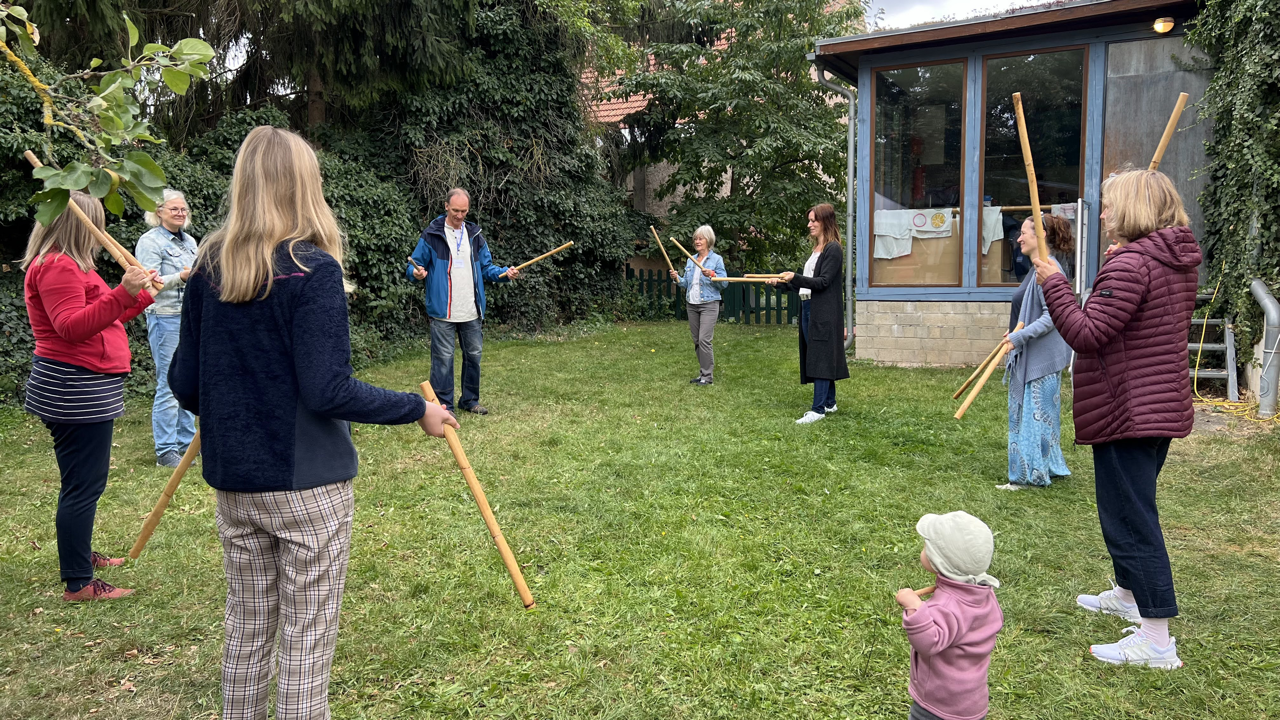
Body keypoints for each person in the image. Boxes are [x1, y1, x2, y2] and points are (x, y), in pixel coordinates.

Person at [168, 126, 459, 720]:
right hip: (306, 489)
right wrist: (418, 408)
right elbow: (327, 390)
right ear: (304, 185)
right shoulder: (312, 268)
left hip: (236, 484)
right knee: (305, 641)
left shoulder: (208, 268)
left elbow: (185, 384)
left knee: (247, 632)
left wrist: (238, 406)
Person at [1032, 169, 1199, 669]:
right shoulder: (1169, 260)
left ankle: (1157, 641)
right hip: (1158, 405)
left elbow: (1086, 333)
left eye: (1108, 206)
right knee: (1129, 508)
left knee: (1131, 519)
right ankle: (1128, 594)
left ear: (1131, 211)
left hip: (1128, 408)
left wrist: (1054, 283)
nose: (1101, 214)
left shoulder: (1131, 265)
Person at [21, 191, 158, 601]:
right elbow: (70, 327)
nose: (102, 235)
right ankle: (79, 582)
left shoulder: (74, 266)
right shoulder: (58, 267)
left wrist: (142, 294)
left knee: (81, 482)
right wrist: (122, 291)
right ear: (79, 224)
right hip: (73, 387)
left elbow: (105, 317)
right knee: (84, 485)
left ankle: (78, 555)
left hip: (82, 384)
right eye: (96, 224)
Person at [406, 189, 518, 415]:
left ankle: (470, 400)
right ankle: (443, 407)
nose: (459, 215)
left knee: (474, 357)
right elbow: (414, 264)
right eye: (455, 210)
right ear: (446, 206)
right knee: (443, 361)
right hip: (442, 311)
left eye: (464, 211)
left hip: (472, 310)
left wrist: (505, 273)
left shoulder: (475, 235)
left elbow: (486, 268)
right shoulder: (432, 235)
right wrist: (415, 272)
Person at [894, 511, 1003, 720]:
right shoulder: (982, 593)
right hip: (972, 700)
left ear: (939, 562)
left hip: (939, 704)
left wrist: (914, 607)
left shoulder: (947, 605)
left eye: (927, 547)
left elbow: (928, 641)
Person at [998, 214, 1073, 491]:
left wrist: (1020, 336)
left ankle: (1031, 476)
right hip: (1036, 354)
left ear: (1040, 237)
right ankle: (1046, 466)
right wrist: (1015, 334)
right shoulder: (1037, 269)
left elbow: (1052, 316)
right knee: (1037, 416)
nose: (1019, 238)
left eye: (1025, 233)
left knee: (1035, 417)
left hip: (1042, 357)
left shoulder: (1048, 269)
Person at [768, 203, 849, 424]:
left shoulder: (833, 249)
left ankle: (818, 410)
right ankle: (830, 403)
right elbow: (806, 286)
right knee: (817, 353)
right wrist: (782, 283)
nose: (809, 224)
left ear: (826, 221)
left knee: (820, 356)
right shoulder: (816, 250)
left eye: (814, 220)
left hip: (823, 311)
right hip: (808, 306)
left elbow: (822, 283)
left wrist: (794, 276)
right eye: (809, 220)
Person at [135, 188, 199, 467]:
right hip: (165, 317)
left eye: (183, 209)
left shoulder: (191, 242)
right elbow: (148, 285)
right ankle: (165, 451)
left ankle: (187, 445)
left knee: (187, 378)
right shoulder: (149, 242)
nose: (181, 213)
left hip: (189, 318)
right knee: (167, 385)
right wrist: (182, 277)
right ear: (158, 211)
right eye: (174, 209)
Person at [669, 225, 728, 385]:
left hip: (709, 304)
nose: (697, 241)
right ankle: (703, 374)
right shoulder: (691, 259)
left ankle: (708, 377)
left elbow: (724, 284)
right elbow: (686, 284)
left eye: (700, 238)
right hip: (692, 304)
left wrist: (712, 275)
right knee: (697, 341)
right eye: (695, 239)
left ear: (708, 240)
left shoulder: (716, 260)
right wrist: (677, 278)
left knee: (704, 340)